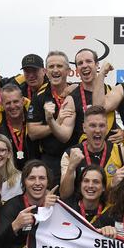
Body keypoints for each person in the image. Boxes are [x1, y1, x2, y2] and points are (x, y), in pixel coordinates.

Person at [59, 105, 124, 199]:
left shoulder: (122, 153)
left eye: (102, 125)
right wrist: (71, 168)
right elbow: (64, 195)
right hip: (81, 211)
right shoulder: (71, 154)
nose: (97, 130)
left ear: (107, 127)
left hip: (110, 210)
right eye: (92, 125)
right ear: (84, 127)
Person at [27, 51, 77, 182]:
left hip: (76, 156)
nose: (55, 70)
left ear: (68, 70)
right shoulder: (39, 97)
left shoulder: (77, 92)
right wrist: (56, 122)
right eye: (51, 66)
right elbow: (32, 132)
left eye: (59, 66)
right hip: (51, 159)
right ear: (45, 71)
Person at [0, 83, 36, 169]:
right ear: (2, 105)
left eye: (16, 101)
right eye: (8, 103)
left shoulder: (36, 118)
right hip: (5, 176)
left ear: (23, 101)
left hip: (34, 174)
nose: (12, 106)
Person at [70, 48, 121, 144]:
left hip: (111, 154)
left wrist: (123, 132)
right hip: (86, 153)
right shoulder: (71, 97)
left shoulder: (112, 91)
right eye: (80, 63)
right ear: (76, 69)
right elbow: (65, 133)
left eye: (88, 61)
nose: (84, 65)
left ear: (97, 65)